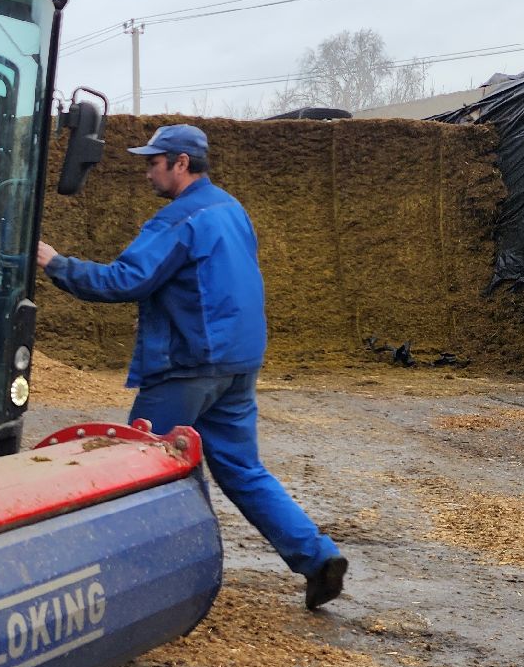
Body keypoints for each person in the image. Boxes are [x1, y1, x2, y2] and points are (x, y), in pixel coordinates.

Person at [35, 124, 348, 609]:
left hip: (188, 364)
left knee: (142, 468)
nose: (146, 172)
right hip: (238, 362)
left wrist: (57, 264)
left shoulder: (178, 220)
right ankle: (317, 556)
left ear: (181, 163)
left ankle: (146, 582)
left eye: (153, 162)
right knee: (243, 469)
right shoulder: (231, 208)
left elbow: (124, 280)